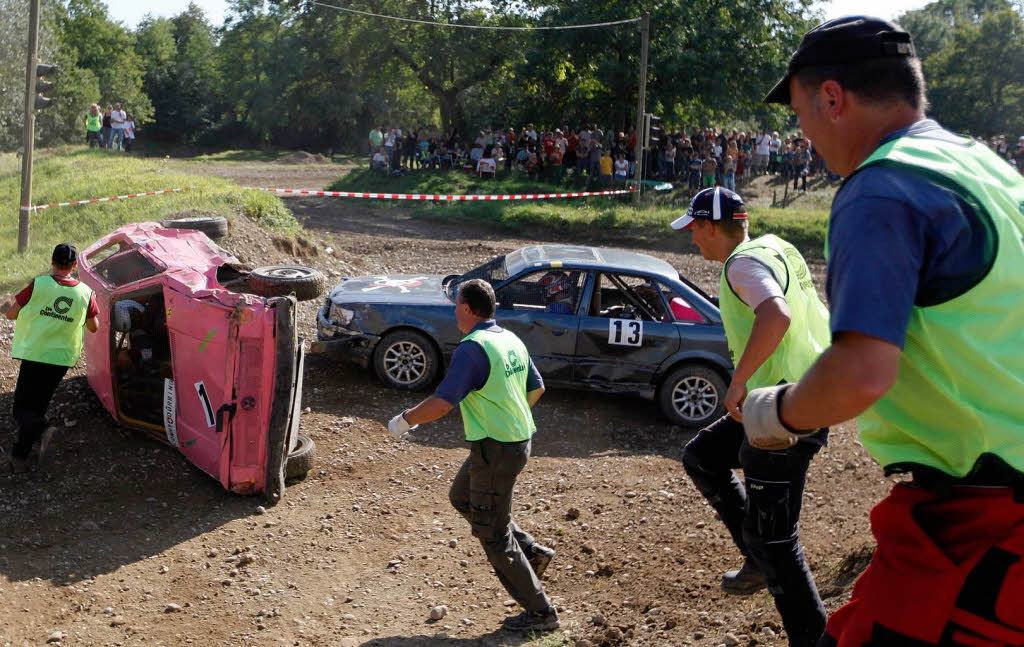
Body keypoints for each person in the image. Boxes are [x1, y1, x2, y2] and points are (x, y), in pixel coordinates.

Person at [749, 15, 1024, 646]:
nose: (804, 134)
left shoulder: (882, 189)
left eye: (800, 114)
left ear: (832, 98)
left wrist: (779, 413)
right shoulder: (982, 166)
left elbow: (861, 372)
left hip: (981, 520)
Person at [672, 187, 831, 647]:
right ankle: (756, 557)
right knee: (702, 456)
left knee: (778, 541)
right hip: (791, 397)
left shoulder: (740, 264)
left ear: (709, 226)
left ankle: (813, 639)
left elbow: (776, 315)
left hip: (783, 412)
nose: (692, 242)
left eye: (694, 231)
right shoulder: (775, 246)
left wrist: (738, 381)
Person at [386, 279, 561, 633]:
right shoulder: (508, 339)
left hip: (496, 448)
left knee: (492, 532)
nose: (454, 312)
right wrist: (510, 417)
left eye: (456, 306)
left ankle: (542, 613)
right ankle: (531, 552)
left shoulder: (473, 347)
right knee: (462, 496)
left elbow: (442, 403)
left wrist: (404, 421)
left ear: (467, 309)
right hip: (513, 441)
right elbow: (537, 387)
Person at [1, 244, 99, 473]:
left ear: (52, 262)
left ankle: (45, 431)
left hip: (35, 354)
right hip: (62, 359)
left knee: (21, 410)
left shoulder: (39, 284)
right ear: (75, 266)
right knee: (38, 405)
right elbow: (94, 326)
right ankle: (20, 455)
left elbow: (11, 313)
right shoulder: (85, 293)